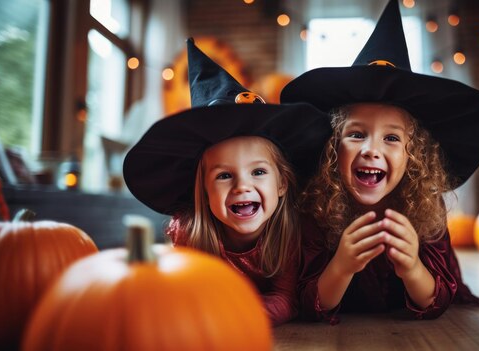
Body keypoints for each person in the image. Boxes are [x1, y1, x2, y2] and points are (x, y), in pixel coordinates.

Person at [280, 0, 479, 322]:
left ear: (415, 154)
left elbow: (436, 298)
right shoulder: (314, 207)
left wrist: (411, 266)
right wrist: (341, 266)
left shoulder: (425, 207)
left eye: (392, 138)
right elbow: (307, 302)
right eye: (356, 135)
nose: (371, 149)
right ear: (331, 148)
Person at [123, 38, 332, 326]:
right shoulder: (190, 233)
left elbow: (285, 300)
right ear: (204, 190)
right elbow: (185, 293)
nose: (242, 187)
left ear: (282, 183)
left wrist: (229, 313)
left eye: (258, 172)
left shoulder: (291, 231)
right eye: (224, 176)